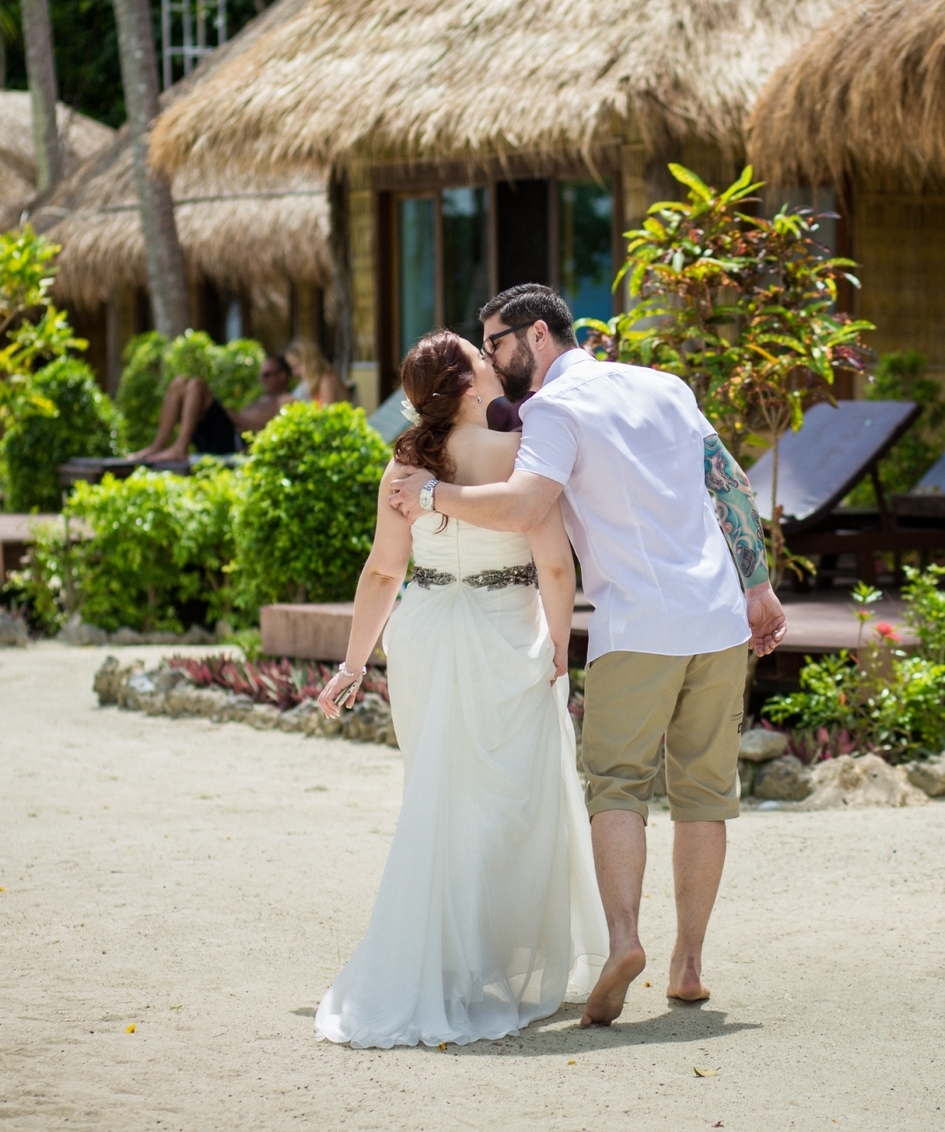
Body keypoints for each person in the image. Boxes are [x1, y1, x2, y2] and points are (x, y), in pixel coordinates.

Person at [384, 283, 786, 1028]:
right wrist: (757, 584)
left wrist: (434, 495)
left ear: (536, 336)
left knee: (619, 789)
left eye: (497, 342)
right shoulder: (666, 385)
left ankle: (625, 940)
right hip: (720, 618)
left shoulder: (552, 412)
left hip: (639, 627)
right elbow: (726, 479)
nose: (496, 360)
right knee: (704, 797)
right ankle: (689, 966)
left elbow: (524, 507)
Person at [312, 330, 607, 1048]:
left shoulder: (406, 461)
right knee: (515, 802)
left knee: (440, 794)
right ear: (470, 385)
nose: (493, 363)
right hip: (508, 634)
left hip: (426, 633)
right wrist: (561, 653)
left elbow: (383, 572)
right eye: (482, 360)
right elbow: (556, 569)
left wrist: (354, 663)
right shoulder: (521, 453)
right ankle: (495, 963)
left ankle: (451, 962)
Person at [128, 354, 293, 462]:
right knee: (178, 383)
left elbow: (270, 435)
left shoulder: (287, 401)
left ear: (282, 375)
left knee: (197, 385)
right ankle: (158, 445)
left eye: (266, 375)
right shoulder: (261, 399)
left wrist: (236, 418)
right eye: (261, 375)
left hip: (234, 443)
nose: (262, 379)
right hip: (220, 436)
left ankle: (180, 448)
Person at [285, 337, 350, 406]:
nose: (294, 373)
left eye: (297, 366)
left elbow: (326, 414)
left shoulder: (326, 381)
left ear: (310, 361)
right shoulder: (315, 382)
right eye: (292, 368)